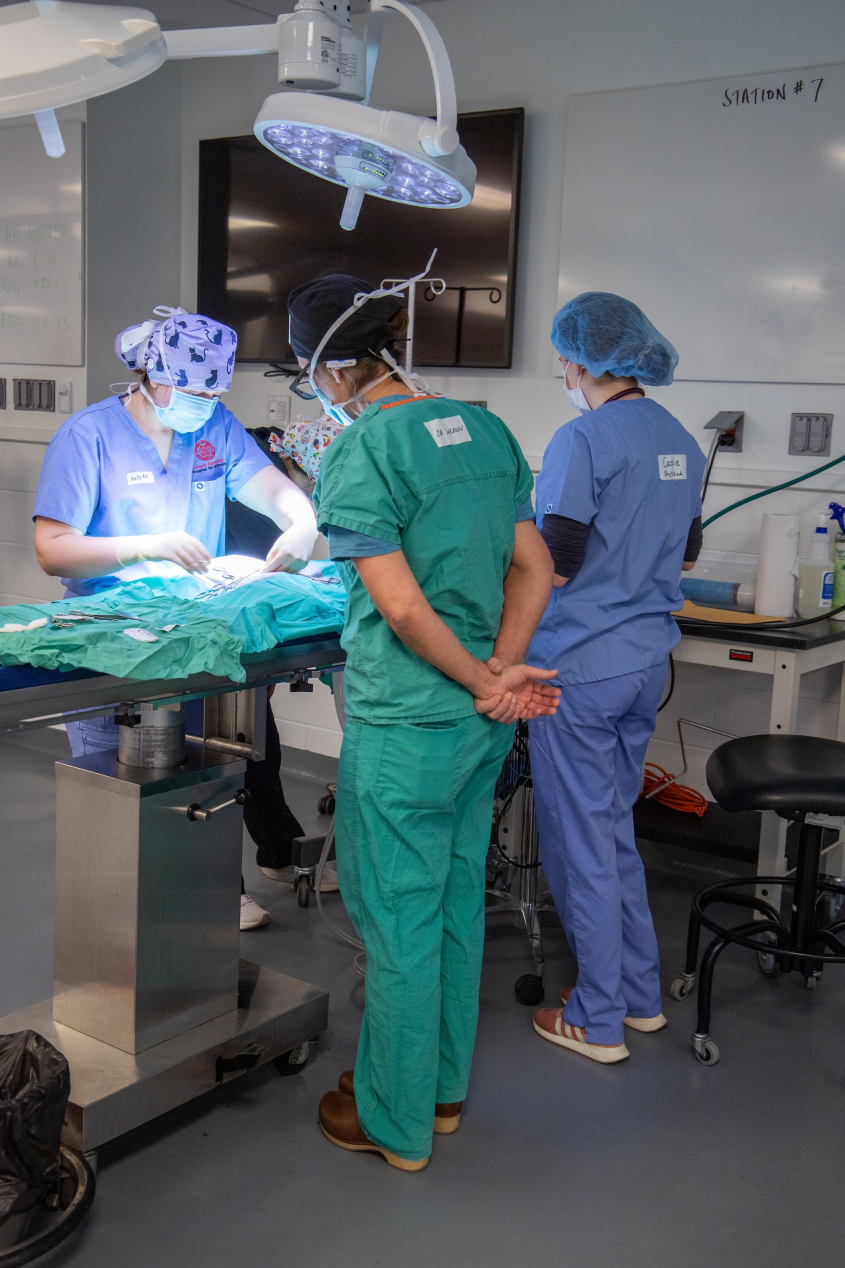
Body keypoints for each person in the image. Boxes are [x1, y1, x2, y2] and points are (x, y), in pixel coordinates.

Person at [285, 269, 560, 1172]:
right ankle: (439, 1093)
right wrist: (495, 676)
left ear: (328, 369)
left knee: (397, 920)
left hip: (406, 724)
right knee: (449, 906)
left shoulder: (361, 451)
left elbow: (401, 613)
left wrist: (476, 676)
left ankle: (391, 1121)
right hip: (477, 726)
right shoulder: (482, 428)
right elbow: (535, 567)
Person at [32, 307, 320, 931]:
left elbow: (266, 484)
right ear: (155, 377)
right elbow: (53, 548)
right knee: (124, 782)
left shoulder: (211, 424)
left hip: (194, 631)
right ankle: (118, 917)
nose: (207, 403)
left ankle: (217, 885)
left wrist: (302, 519)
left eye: (215, 392)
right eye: (195, 390)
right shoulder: (89, 438)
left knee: (209, 769)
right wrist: (145, 545)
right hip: (115, 636)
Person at [528, 291, 705, 1064]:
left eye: (564, 357)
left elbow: (554, 566)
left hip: (579, 670)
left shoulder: (582, 439)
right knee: (613, 833)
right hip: (641, 664)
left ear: (580, 360)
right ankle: (637, 996)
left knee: (579, 842)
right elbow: (687, 555)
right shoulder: (680, 441)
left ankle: (596, 1018)